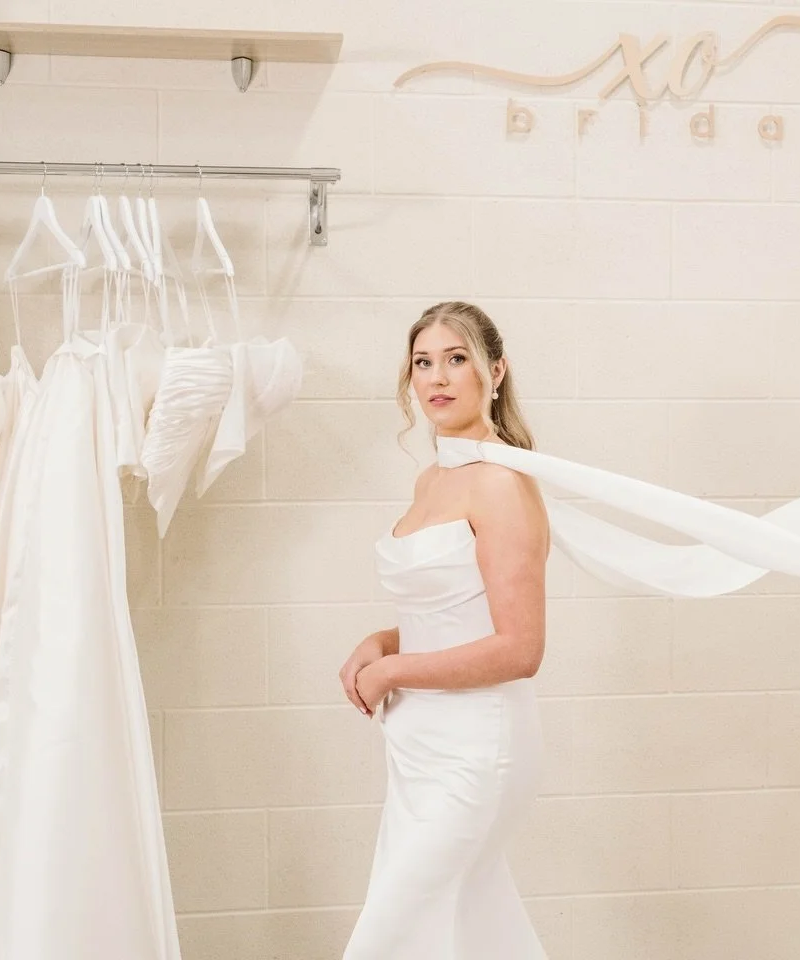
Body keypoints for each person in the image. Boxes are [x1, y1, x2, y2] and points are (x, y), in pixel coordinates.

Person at [339, 301, 550, 960]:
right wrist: (383, 642)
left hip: (476, 746)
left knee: (390, 935)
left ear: (496, 371)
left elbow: (521, 648)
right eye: (423, 362)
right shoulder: (431, 479)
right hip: (417, 744)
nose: (437, 377)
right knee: (463, 932)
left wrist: (394, 670)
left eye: (456, 359)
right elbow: (449, 615)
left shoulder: (501, 483)